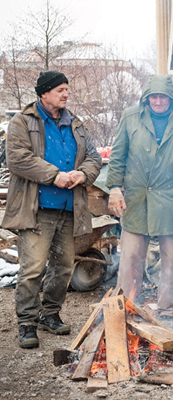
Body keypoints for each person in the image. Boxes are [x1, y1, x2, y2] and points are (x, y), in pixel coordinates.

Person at [3, 71, 102, 349]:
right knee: (33, 268)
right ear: (43, 93)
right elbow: (18, 159)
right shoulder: (23, 122)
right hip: (37, 209)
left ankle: (50, 314)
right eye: (60, 89)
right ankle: (27, 324)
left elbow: (93, 157)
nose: (66, 94)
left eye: (67, 89)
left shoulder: (76, 124)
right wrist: (54, 175)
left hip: (70, 208)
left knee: (63, 267)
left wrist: (83, 174)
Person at [106, 75, 173, 329]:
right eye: (154, 96)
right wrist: (115, 188)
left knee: (170, 260)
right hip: (136, 199)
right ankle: (125, 308)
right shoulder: (131, 117)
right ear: (146, 97)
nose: (158, 101)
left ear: (171, 99)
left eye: (163, 97)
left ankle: (168, 311)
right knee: (130, 258)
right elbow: (117, 156)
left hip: (170, 200)